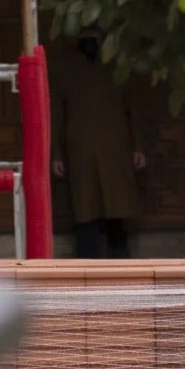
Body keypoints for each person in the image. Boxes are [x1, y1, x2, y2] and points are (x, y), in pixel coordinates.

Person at [50, 28, 145, 258]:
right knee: (85, 211)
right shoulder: (65, 67)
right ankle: (87, 263)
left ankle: (121, 264)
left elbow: (133, 108)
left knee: (116, 208)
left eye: (93, 37)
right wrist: (56, 153)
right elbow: (56, 115)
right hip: (79, 148)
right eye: (85, 37)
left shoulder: (117, 65)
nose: (89, 41)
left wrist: (138, 146)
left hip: (115, 146)